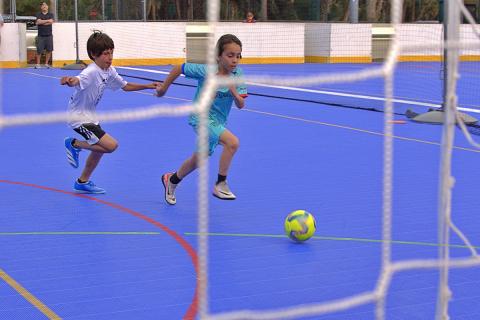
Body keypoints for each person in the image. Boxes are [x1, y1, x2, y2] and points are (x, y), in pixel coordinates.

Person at [61, 31, 159, 194]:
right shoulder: (90, 72)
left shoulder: (109, 70)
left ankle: (82, 181)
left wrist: (148, 86)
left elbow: (125, 86)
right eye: (106, 54)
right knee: (111, 146)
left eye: (111, 52)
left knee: (98, 150)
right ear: (93, 54)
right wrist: (70, 81)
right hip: (78, 118)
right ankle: (73, 144)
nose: (110, 57)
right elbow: (78, 80)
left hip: (91, 116)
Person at [156, 34, 247, 205]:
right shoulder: (206, 71)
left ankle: (172, 180)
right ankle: (221, 183)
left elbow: (241, 104)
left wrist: (233, 89)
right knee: (232, 143)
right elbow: (179, 68)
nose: (235, 60)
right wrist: (164, 89)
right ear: (218, 56)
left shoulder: (238, 74)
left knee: (199, 159)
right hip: (201, 117)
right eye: (230, 55)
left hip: (218, 122)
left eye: (238, 55)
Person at [35, 2, 54, 68]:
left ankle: (46, 64)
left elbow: (51, 22)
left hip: (49, 35)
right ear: (41, 7)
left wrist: (42, 22)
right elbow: (38, 22)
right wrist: (47, 21)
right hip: (41, 35)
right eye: (43, 5)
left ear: (47, 7)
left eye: (45, 5)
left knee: (49, 50)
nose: (44, 6)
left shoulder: (51, 14)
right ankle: (38, 64)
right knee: (39, 50)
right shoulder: (38, 14)